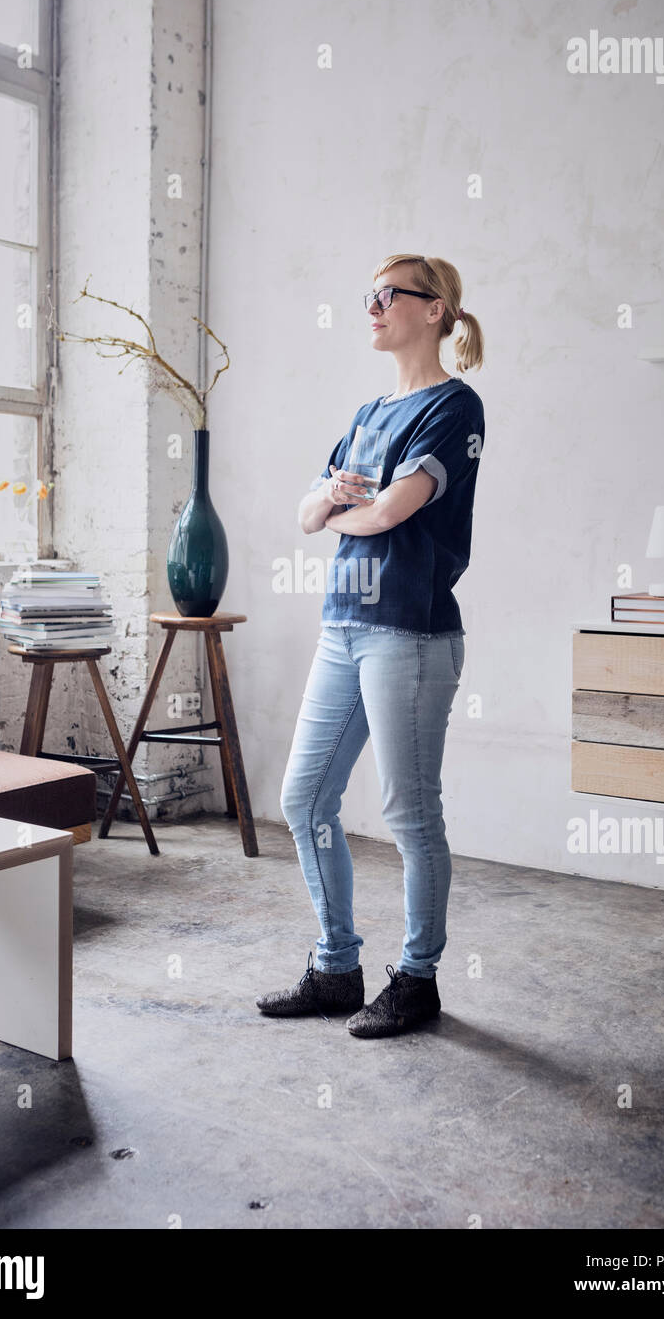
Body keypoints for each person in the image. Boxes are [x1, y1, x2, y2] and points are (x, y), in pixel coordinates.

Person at [256, 253, 485, 1038]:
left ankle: (417, 980)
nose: (374, 307)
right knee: (305, 799)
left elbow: (390, 513)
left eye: (390, 295)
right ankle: (336, 968)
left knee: (409, 813)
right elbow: (305, 512)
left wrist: (335, 511)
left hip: (411, 637)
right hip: (343, 628)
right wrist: (325, 504)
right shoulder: (365, 413)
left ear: (434, 310)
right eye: (369, 296)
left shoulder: (456, 408)